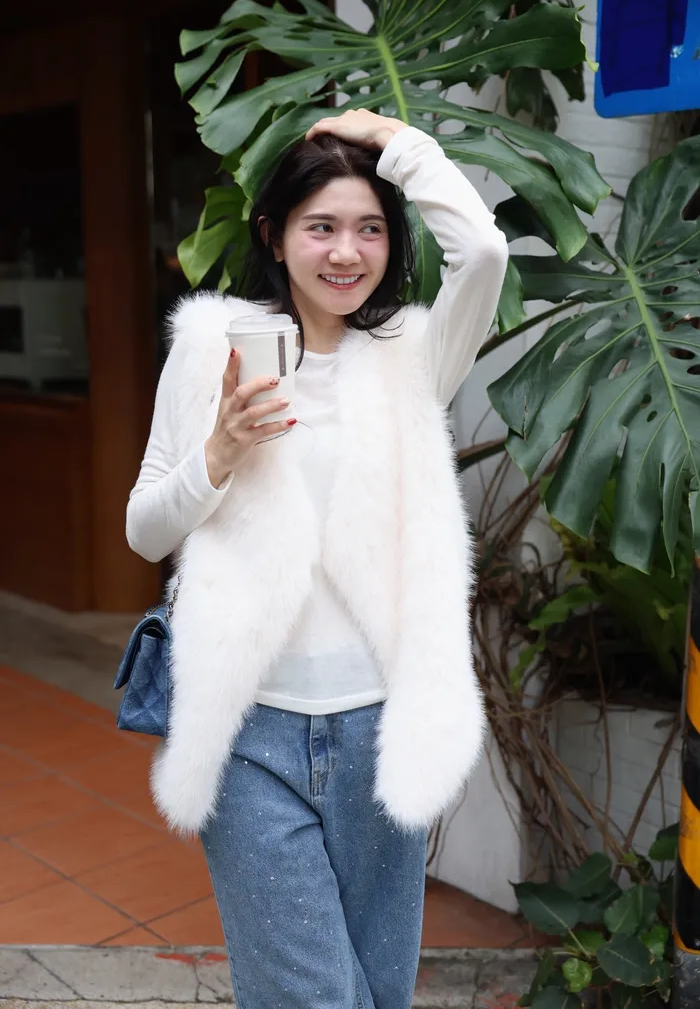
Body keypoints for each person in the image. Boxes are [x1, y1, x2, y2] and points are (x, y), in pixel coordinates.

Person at [126, 108, 508, 1009]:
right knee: (312, 997)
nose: (346, 252)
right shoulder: (212, 348)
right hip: (249, 732)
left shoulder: (413, 354)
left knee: (378, 991)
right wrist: (219, 453)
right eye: (321, 227)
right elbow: (146, 531)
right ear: (275, 235)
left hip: (380, 730)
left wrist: (394, 142)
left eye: (370, 228)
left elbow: (485, 252)